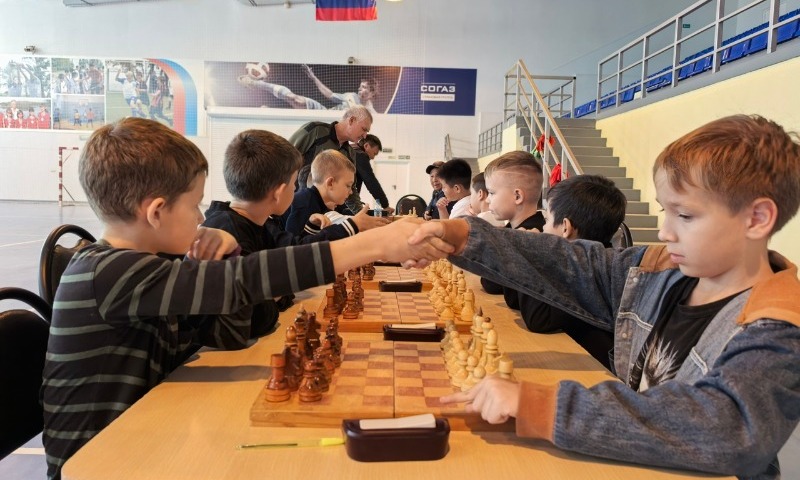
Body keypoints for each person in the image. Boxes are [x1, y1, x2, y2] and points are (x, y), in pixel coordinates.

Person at [41, 117, 451, 480]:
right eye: (194, 205)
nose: (201, 217)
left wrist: (226, 259)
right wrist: (371, 244)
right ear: (156, 212)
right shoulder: (110, 273)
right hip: (101, 461)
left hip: (144, 434)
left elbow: (231, 335)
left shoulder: (153, 264)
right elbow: (246, 282)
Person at [410, 115, 800, 479]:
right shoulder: (659, 273)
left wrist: (539, 405)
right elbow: (569, 261)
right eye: (665, 212)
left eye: (685, 216)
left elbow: (726, 428)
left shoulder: (779, 328)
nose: (665, 232)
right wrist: (460, 235)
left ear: (757, 218)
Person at [202, 129, 360, 338]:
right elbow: (255, 319)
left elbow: (290, 267)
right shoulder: (227, 231)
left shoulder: (263, 225)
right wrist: (276, 289)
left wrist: (275, 290)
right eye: (294, 185)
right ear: (278, 192)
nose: (296, 190)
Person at [516, 174, 627, 369]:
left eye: (547, 219)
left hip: (595, 373)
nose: (543, 227)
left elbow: (538, 319)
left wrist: (529, 252)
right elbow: (514, 301)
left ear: (565, 228)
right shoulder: (592, 257)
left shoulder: (588, 270)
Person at [478, 151, 545, 296]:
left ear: (517, 196)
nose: (487, 200)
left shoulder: (534, 236)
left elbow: (492, 284)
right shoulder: (511, 229)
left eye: (492, 193)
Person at [283, 149, 389, 237]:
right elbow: (292, 247)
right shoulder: (305, 203)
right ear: (330, 183)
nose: (351, 192)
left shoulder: (317, 203)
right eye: (348, 185)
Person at [238, 63, 377, 112]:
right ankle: (255, 83)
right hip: (323, 113)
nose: (360, 89)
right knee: (294, 99)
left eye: (364, 87)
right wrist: (314, 77)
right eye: (360, 86)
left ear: (371, 92)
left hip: (335, 130)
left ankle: (271, 111)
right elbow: (330, 95)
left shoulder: (371, 113)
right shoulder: (351, 96)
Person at [289, 105, 372, 170]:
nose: (365, 136)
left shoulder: (350, 154)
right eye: (364, 129)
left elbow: (349, 185)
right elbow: (285, 157)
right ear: (351, 120)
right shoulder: (315, 130)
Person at [347, 133, 393, 214]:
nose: (372, 157)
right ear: (366, 146)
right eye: (374, 153)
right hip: (345, 201)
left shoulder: (349, 150)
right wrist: (385, 205)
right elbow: (371, 182)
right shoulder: (360, 155)